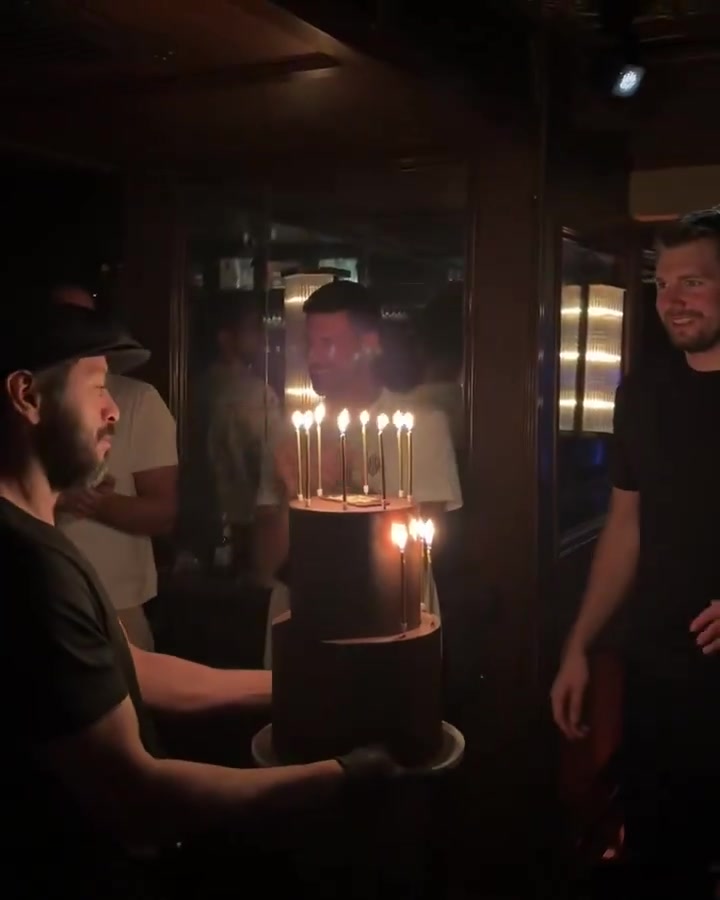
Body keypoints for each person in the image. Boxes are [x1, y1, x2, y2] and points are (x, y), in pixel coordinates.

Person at [0, 303, 394, 898]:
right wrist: (342, 777)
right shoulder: (29, 567)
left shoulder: (36, 543)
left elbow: (135, 671)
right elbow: (133, 794)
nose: (113, 411)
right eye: (98, 388)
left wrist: (306, 685)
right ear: (27, 396)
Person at [550, 209, 720, 876]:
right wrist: (579, 643)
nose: (672, 300)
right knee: (659, 857)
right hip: (657, 671)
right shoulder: (642, 393)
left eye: (694, 282)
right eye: (662, 283)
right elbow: (625, 528)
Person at [256, 279, 462, 665]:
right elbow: (268, 564)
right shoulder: (290, 435)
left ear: (369, 345)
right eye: (309, 345)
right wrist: (298, 493)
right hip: (305, 626)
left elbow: (418, 550)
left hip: (393, 624)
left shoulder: (422, 426)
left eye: (328, 343)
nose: (314, 358)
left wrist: (338, 491)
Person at [51, 283, 178, 650]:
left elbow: (163, 513)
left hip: (116, 604)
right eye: (62, 320)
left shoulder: (138, 400)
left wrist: (93, 501)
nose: (111, 411)